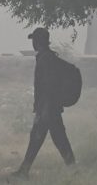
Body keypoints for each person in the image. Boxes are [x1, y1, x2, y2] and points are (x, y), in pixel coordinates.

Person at [14, 28, 75, 177]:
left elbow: (48, 86)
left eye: (34, 40)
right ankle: (73, 170)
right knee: (56, 139)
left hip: (48, 107)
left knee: (39, 137)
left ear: (38, 41)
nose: (33, 43)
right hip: (50, 107)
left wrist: (44, 109)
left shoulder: (45, 59)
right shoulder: (48, 58)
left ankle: (24, 170)